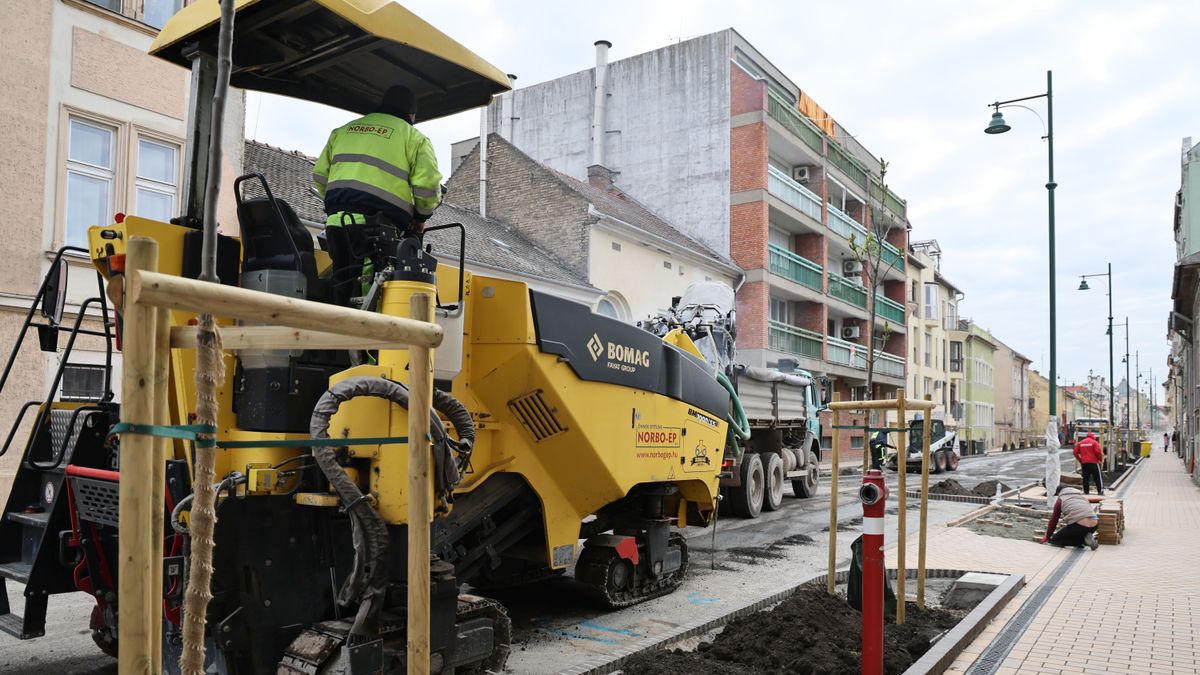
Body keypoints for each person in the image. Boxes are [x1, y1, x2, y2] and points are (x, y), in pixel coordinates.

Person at [312, 85, 442, 234]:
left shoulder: (341, 131)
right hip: (380, 228)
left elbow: (320, 174)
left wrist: (340, 203)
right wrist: (420, 219)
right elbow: (428, 186)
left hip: (336, 221)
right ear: (411, 115)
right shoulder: (416, 139)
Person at [1041, 484, 1100, 550]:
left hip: (1079, 526)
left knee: (1055, 541)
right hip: (1094, 525)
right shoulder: (1082, 497)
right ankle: (1085, 538)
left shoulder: (1061, 500)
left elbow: (1054, 520)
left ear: (1059, 492)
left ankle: (1084, 541)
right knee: (1075, 533)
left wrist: (1048, 536)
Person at [1073, 431, 1104, 495]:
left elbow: (1075, 452)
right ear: (1093, 437)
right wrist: (1100, 459)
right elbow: (1098, 452)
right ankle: (1100, 491)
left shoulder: (1080, 443)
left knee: (1085, 478)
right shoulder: (1094, 442)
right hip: (1094, 463)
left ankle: (1086, 491)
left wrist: (1080, 460)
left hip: (1084, 463)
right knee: (1098, 477)